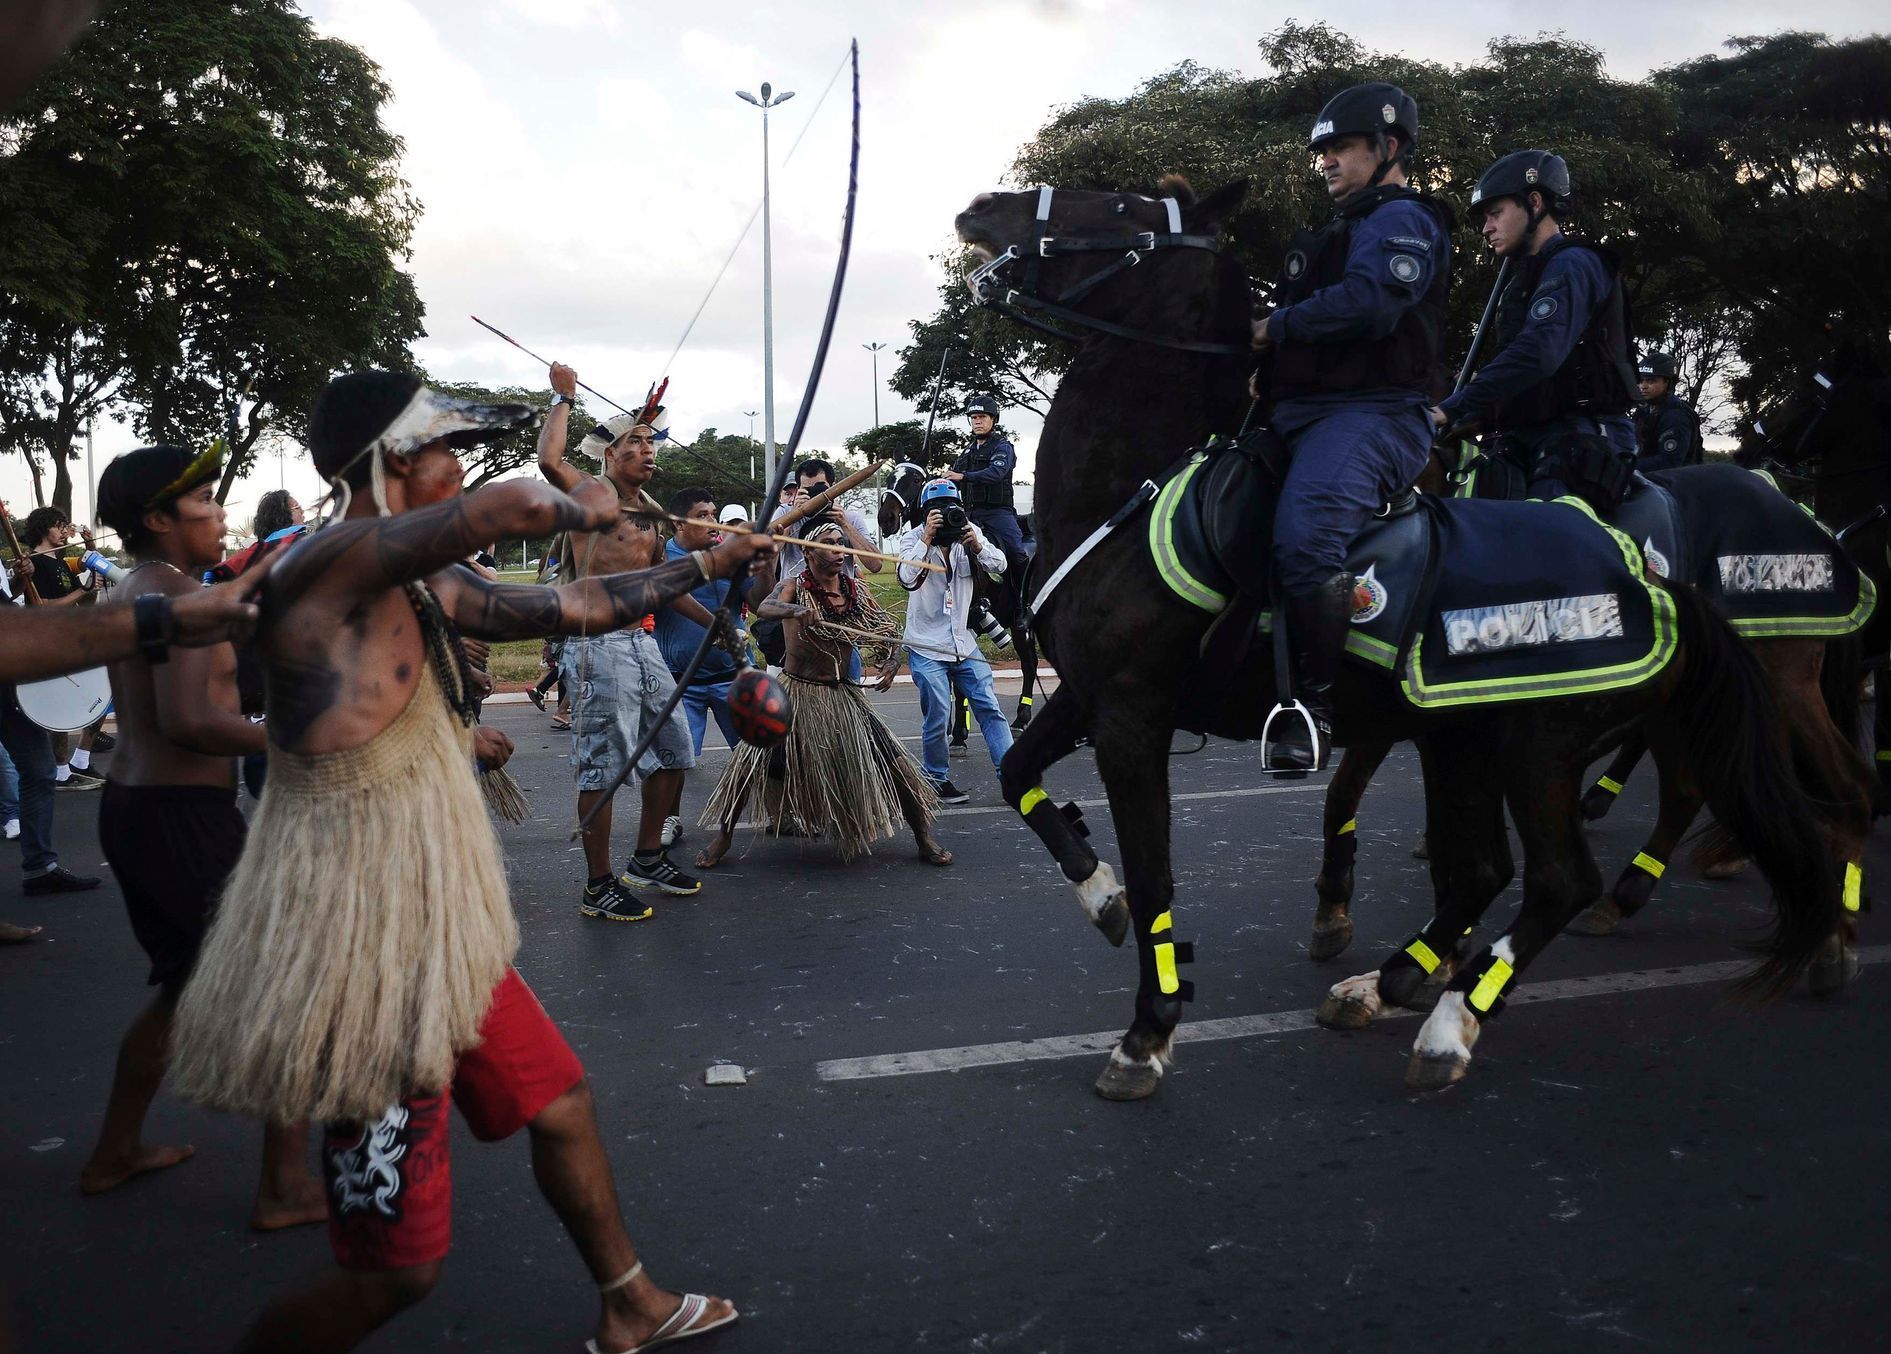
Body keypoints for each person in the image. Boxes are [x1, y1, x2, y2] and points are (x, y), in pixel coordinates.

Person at [166, 369, 765, 1354]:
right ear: (393, 461)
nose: (456, 467)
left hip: (435, 922)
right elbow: (519, 503)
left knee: (558, 1099)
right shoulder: (334, 558)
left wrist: (704, 567)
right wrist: (588, 493)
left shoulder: (405, 570)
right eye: (444, 447)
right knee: (397, 1271)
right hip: (365, 944)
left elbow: (553, 607)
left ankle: (628, 1303)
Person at [78, 442, 327, 1226]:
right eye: (207, 503)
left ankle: (114, 1151)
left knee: (180, 992)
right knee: (285, 989)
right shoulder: (177, 599)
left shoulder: (138, 587)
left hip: (140, 811)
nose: (222, 514)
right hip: (181, 821)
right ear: (158, 519)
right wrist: (291, 733)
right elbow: (191, 720)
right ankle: (284, 1188)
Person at [1249, 81, 1452, 772]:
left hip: (1374, 415)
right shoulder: (1337, 231)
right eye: (1323, 152)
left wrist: (1273, 328)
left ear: (1388, 147)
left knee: (1306, 542)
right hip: (1298, 414)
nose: (1327, 162)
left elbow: (1370, 303)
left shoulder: (1402, 222)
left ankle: (1314, 705)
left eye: (1340, 148)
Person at [539, 363, 717, 914]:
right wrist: (563, 398)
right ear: (610, 455)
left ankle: (645, 859)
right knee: (603, 765)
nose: (647, 448)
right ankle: (598, 884)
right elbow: (548, 460)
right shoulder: (591, 495)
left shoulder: (654, 513)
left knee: (674, 752)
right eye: (634, 441)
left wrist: (720, 627)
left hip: (641, 643)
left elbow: (662, 585)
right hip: (595, 646)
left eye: (650, 440)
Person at [698, 520, 949, 868]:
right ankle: (722, 836)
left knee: (897, 766)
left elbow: (886, 631)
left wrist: (891, 661)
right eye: (829, 543)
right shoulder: (794, 587)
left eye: (841, 542)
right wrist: (796, 611)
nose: (838, 549)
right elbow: (767, 608)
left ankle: (923, 837)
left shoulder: (855, 590)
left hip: (842, 696)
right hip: (795, 692)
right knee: (749, 765)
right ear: (807, 551)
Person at [1433, 149, 1640, 502]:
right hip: (1522, 435)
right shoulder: (1520, 278)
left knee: (1546, 536)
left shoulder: (1573, 263)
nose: (1486, 228)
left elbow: (1539, 352)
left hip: (1579, 435)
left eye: (1496, 213)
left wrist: (1453, 406)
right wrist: (1480, 413)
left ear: (1535, 202)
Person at [896, 479, 1013, 804]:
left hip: (963, 642)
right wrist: (927, 539)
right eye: (937, 509)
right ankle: (936, 779)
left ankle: (1014, 774)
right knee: (938, 710)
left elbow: (1000, 566)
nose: (945, 514)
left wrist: (977, 545)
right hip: (926, 645)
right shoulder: (912, 538)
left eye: (951, 506)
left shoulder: (967, 531)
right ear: (924, 511)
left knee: (990, 708)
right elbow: (906, 578)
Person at [652, 488, 750, 849]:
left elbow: (759, 600)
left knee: (759, 749)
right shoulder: (662, 559)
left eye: (714, 513)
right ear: (679, 523)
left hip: (733, 677)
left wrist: (766, 562)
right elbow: (674, 592)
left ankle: (781, 810)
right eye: (703, 515)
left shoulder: (730, 557)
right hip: (681, 679)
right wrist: (718, 628)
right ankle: (669, 818)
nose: (713, 521)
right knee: (673, 758)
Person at [20, 507, 107, 789]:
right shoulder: (32, 564)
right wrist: (82, 591)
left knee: (101, 696)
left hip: (73, 639)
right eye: (59, 526)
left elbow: (84, 576)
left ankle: (80, 761)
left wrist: (91, 554)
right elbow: (40, 605)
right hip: (50, 643)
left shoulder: (61, 561)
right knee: (59, 709)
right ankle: (60, 772)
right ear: (45, 528)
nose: (63, 531)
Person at [1634, 350, 1702, 471]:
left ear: (1667, 383)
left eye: (1651, 381)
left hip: (1673, 484)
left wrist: (1627, 467)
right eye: (1640, 380)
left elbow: (1670, 462)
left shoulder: (1676, 416)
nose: (1643, 386)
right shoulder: (1643, 412)